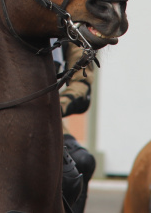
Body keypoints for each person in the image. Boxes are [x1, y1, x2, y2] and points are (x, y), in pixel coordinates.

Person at [58, 41, 97, 213]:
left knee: (82, 162)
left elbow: (81, 82)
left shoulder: (66, 24)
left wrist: (55, 106)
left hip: (44, 119)